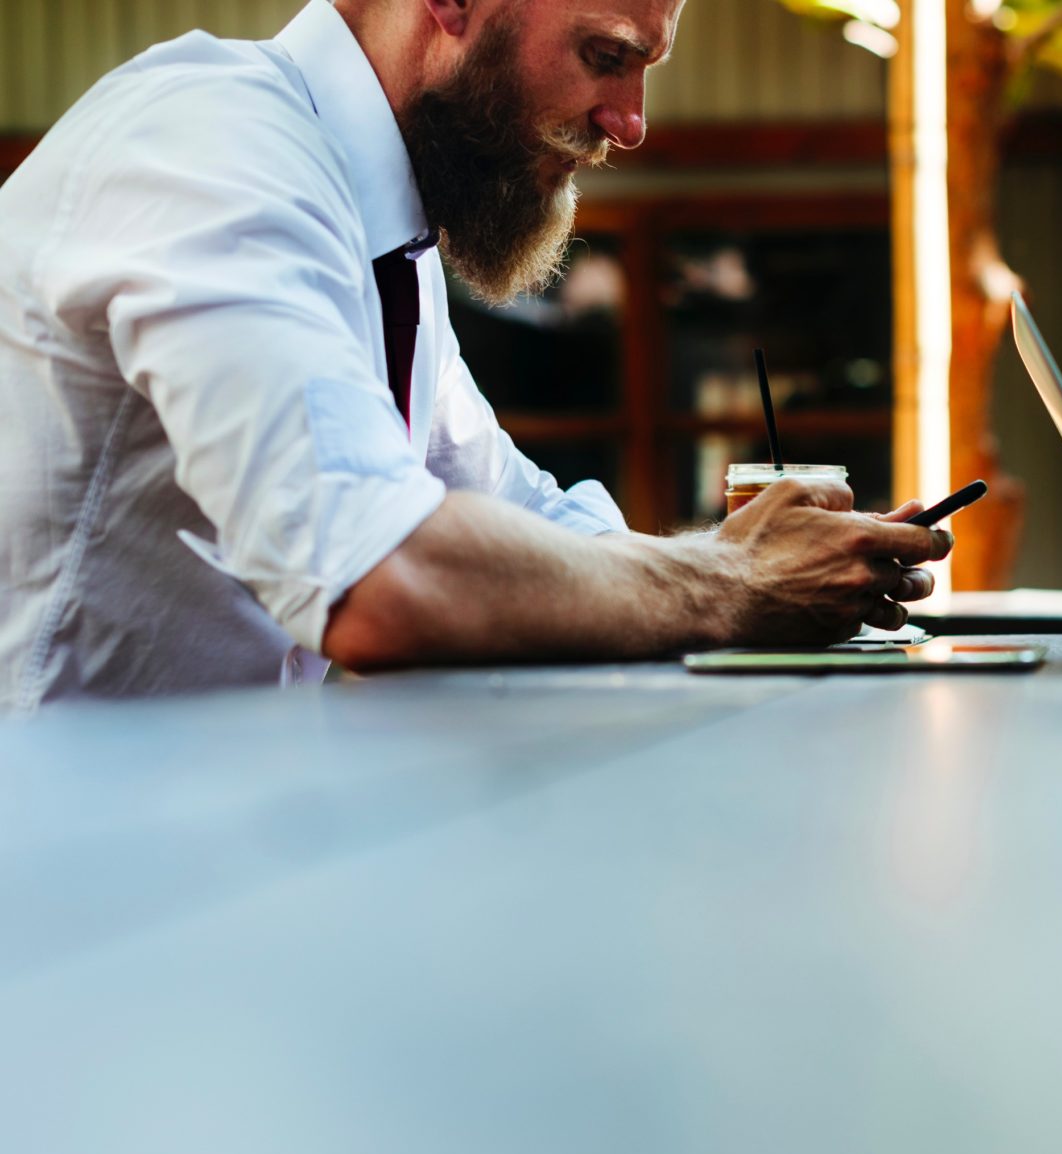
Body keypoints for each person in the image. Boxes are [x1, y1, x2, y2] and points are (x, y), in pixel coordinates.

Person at [0, 0, 948, 709]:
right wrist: (736, 583)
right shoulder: (214, 148)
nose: (631, 122)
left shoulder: (384, 233)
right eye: (606, 56)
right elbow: (385, 577)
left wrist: (757, 557)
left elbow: (523, 516)